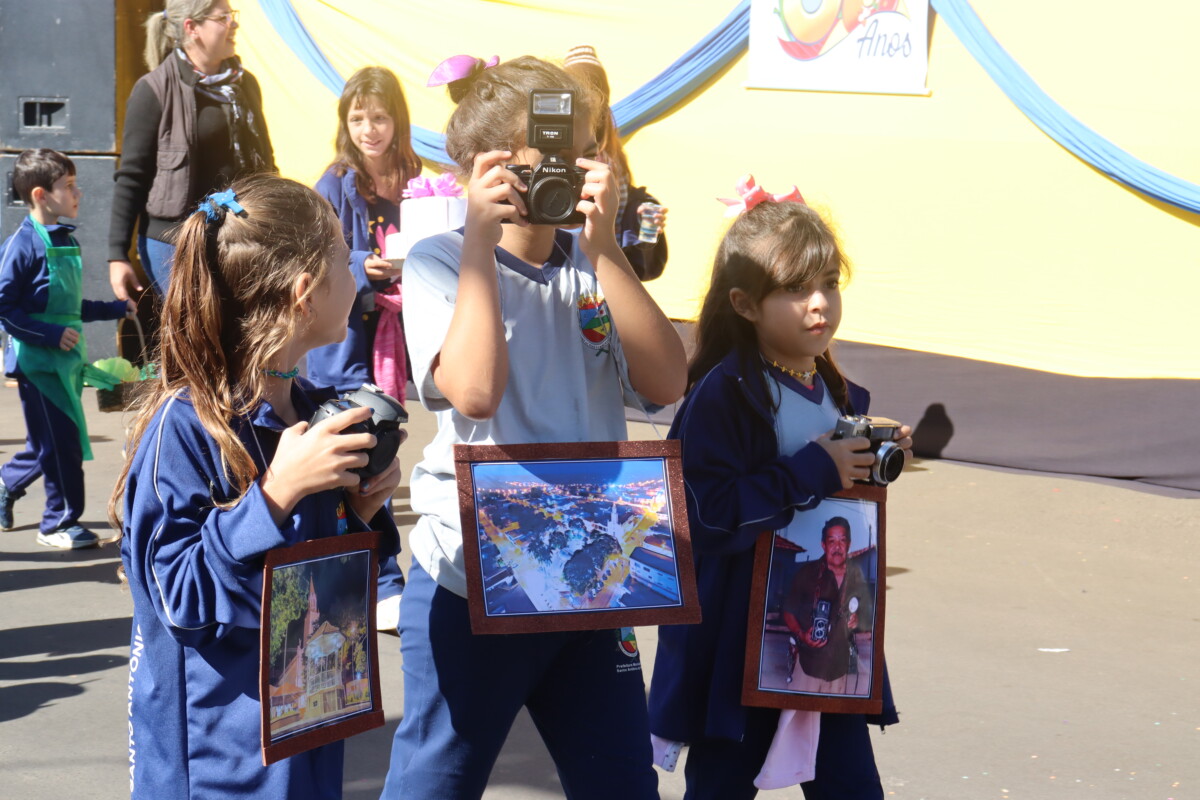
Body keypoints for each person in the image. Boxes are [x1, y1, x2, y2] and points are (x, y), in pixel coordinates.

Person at [379, 55, 687, 800]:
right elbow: (475, 392)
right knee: (436, 783)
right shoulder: (440, 261)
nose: (565, 173)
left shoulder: (594, 266)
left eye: (582, 153)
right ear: (487, 167)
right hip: (472, 581)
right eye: (546, 157)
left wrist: (605, 245)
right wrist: (479, 243)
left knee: (623, 786)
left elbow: (666, 382)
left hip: (591, 581)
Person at [112, 175, 402, 799]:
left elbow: (319, 585)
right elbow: (178, 598)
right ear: (305, 293)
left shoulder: (313, 409)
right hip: (221, 762)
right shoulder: (186, 425)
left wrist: (359, 512)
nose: (357, 267)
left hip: (308, 728)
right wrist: (275, 494)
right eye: (343, 255)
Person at [646, 180, 912, 799]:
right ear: (744, 304)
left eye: (829, 284)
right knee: (722, 785)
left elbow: (825, 495)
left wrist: (866, 458)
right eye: (796, 289)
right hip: (741, 646)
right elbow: (703, 516)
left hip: (830, 639)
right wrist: (815, 469)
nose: (820, 304)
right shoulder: (723, 393)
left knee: (851, 787)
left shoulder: (833, 388)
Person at [310, 66, 423, 629]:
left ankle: (366, 578)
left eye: (379, 117)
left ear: (398, 120)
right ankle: (384, 581)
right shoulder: (335, 183)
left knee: (379, 452)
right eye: (358, 119)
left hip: (401, 333)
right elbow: (314, 251)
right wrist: (362, 265)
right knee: (363, 455)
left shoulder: (417, 179)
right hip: (346, 339)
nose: (369, 129)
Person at [0, 149, 135, 548]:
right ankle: (57, 523)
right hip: (38, 367)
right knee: (62, 444)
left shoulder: (65, 239)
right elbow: (4, 307)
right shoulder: (21, 245)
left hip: (66, 364)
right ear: (41, 195)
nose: (78, 193)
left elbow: (69, 308)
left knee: (49, 442)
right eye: (70, 186)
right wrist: (48, 335)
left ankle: (6, 484)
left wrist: (115, 309)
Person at [108, 0, 275, 302]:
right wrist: (117, 255)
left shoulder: (244, 85)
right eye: (223, 18)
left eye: (232, 16)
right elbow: (132, 177)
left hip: (237, 236)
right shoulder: (154, 90)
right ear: (192, 27)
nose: (234, 24)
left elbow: (266, 161)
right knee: (193, 327)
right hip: (174, 241)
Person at [563, 44, 668, 281]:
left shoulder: (610, 147)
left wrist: (641, 210)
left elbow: (621, 198)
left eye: (596, 88)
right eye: (582, 88)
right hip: (571, 263)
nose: (591, 97)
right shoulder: (560, 148)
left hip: (608, 261)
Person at [781, 516, 873, 693]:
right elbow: (788, 612)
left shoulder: (857, 576)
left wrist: (857, 620)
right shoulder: (806, 573)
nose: (837, 547)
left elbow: (866, 615)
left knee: (833, 712)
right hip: (807, 666)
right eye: (832, 541)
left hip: (840, 670)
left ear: (849, 544)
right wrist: (801, 634)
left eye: (842, 541)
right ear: (823, 545)